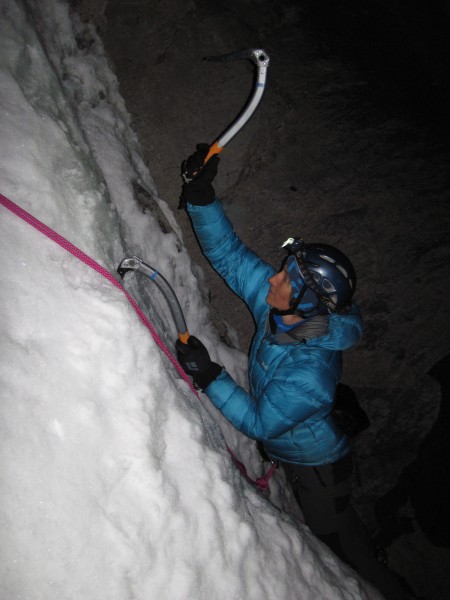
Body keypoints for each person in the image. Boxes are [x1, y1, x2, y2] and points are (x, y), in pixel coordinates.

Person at [176, 144, 411, 599]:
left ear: (304, 300)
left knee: (339, 547)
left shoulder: (310, 375)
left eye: (283, 278)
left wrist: (209, 376)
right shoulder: (289, 310)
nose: (271, 279)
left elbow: (263, 424)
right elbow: (227, 253)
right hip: (306, 456)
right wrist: (201, 194)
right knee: (343, 529)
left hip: (319, 468)